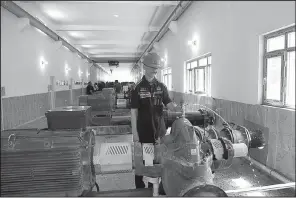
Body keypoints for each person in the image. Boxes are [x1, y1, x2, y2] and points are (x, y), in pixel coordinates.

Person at [131, 52, 180, 190]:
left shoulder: (161, 87)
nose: (155, 70)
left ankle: (161, 188)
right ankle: (142, 189)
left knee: (161, 160)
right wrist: (135, 133)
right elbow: (134, 112)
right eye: (153, 67)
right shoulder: (138, 88)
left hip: (160, 131)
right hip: (145, 131)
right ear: (145, 67)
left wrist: (178, 109)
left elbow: (169, 104)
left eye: (157, 67)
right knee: (146, 161)